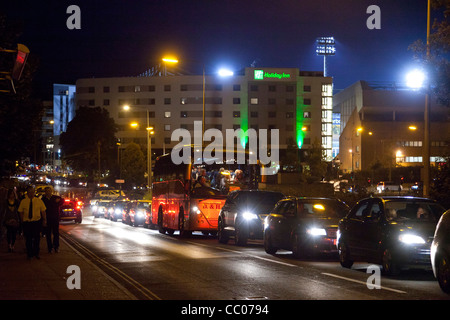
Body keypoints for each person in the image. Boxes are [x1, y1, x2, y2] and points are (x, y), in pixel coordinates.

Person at [18, 186, 47, 260]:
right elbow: (20, 211)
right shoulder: (23, 201)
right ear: (27, 192)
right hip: (27, 222)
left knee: (37, 238)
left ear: (34, 192)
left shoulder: (39, 201)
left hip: (36, 222)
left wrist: (44, 220)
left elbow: (43, 211)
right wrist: (22, 221)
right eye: (29, 192)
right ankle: (29, 254)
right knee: (28, 239)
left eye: (32, 192)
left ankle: (36, 253)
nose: (31, 193)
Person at [41, 186, 61, 253]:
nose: (48, 192)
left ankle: (56, 247)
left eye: (49, 191)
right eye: (46, 191)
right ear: (45, 192)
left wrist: (58, 201)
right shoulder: (43, 199)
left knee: (56, 233)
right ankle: (50, 248)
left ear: (51, 191)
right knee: (48, 234)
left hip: (55, 218)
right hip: (47, 218)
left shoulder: (55, 197)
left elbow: (62, 201)